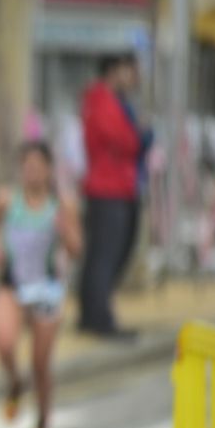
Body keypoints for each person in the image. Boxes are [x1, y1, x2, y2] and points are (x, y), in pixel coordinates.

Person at [0, 141, 82, 428]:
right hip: (12, 285)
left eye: (38, 165)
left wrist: (67, 232)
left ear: (49, 169)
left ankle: (42, 422)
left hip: (46, 288)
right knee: (3, 342)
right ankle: (15, 383)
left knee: (41, 363)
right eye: (26, 165)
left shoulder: (62, 204)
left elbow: (76, 249)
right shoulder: (6, 200)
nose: (32, 171)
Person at [76, 53, 151, 338]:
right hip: (108, 190)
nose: (133, 78)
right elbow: (126, 141)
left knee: (107, 255)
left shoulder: (114, 103)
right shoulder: (101, 101)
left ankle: (94, 315)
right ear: (113, 71)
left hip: (119, 188)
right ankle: (99, 320)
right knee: (105, 257)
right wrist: (140, 133)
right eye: (128, 71)